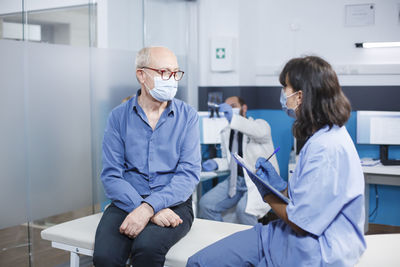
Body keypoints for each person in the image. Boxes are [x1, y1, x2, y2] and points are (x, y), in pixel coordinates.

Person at [187, 56, 366, 267]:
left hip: (314, 250)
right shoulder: (322, 137)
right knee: (199, 261)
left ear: (299, 96)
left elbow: (302, 223)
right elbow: (308, 196)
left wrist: (268, 194)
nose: (282, 94)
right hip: (283, 234)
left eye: (285, 87)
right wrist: (280, 187)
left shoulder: (325, 149)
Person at [93, 46, 201, 267]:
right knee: (105, 257)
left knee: (147, 248)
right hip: (127, 200)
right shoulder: (118, 117)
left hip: (174, 202)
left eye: (175, 72)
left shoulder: (187, 116)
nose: (171, 79)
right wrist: (143, 208)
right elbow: (112, 175)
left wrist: (149, 208)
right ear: (141, 74)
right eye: (164, 72)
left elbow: (188, 174)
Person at [199, 96, 279, 225]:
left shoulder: (260, 125)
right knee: (206, 204)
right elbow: (230, 161)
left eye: (233, 106)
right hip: (237, 180)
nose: (229, 110)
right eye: (226, 108)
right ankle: (222, 239)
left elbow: (258, 132)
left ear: (244, 108)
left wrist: (233, 118)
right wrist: (216, 163)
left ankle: (253, 244)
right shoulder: (227, 133)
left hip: (258, 181)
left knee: (244, 211)